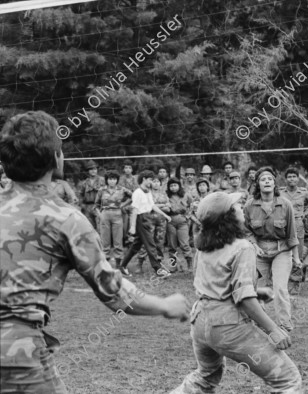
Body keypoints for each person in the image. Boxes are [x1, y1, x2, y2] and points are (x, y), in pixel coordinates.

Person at [0, 111, 189, 394]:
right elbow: (113, 292)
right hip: (15, 350)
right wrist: (163, 305)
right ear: (55, 157)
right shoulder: (66, 219)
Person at [169, 192, 302, 394]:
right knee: (288, 380)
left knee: (205, 377)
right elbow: (244, 299)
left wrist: (255, 291)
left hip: (200, 320)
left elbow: (212, 284)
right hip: (228, 325)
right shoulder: (243, 247)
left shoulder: (203, 245)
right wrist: (273, 329)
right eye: (237, 206)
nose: (242, 207)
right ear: (228, 216)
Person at [244, 167, 300, 332]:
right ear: (258, 184)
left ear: (274, 183)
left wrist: (296, 259)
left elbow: (292, 234)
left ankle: (284, 324)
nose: (267, 181)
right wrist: (254, 245)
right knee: (256, 289)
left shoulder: (285, 205)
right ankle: (258, 323)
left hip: (281, 251)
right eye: (263, 179)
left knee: (280, 288)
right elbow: (246, 231)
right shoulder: (249, 205)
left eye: (270, 179)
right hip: (258, 252)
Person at [118, 170, 173, 277]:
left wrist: (165, 215)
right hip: (140, 219)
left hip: (147, 218)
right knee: (150, 244)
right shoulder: (137, 193)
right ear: (144, 179)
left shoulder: (147, 191)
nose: (152, 182)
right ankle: (158, 269)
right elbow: (134, 210)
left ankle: (122, 266)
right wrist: (133, 226)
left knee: (136, 246)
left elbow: (152, 206)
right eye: (150, 180)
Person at [280, 167, 308, 293]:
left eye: (294, 176)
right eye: (289, 177)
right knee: (283, 252)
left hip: (297, 224)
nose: (291, 179)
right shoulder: (280, 193)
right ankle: (283, 281)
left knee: (298, 253)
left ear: (298, 179)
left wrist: (304, 214)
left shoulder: (303, 193)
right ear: (285, 179)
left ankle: (295, 282)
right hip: (283, 225)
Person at [94, 171, 132, 267]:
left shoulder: (122, 189)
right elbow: (96, 205)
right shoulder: (101, 190)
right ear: (107, 180)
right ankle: (105, 265)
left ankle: (118, 265)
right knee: (105, 241)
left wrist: (123, 205)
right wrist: (100, 215)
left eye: (114, 179)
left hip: (117, 214)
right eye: (110, 179)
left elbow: (133, 196)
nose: (112, 181)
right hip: (105, 214)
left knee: (117, 241)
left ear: (117, 180)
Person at [136, 176, 170, 273]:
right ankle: (140, 262)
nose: (155, 183)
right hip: (148, 221)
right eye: (154, 181)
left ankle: (158, 264)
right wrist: (162, 205)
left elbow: (169, 208)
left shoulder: (164, 194)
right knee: (146, 242)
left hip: (161, 221)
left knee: (159, 242)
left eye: (157, 181)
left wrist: (156, 206)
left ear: (160, 183)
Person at [166, 177, 195, 272]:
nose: (173, 188)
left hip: (183, 222)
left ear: (179, 186)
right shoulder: (167, 196)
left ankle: (190, 264)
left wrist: (188, 216)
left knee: (184, 244)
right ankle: (173, 265)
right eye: (171, 186)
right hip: (171, 221)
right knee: (172, 245)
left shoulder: (186, 195)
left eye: (175, 185)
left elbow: (192, 205)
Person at [79, 159, 105, 230]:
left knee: (100, 228)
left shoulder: (102, 180)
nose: (93, 171)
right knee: (89, 228)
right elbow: (80, 195)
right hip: (87, 207)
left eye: (95, 169)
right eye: (91, 169)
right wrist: (82, 206)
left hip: (99, 207)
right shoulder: (84, 183)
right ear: (88, 171)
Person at [118, 159, 138, 241]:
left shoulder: (135, 179)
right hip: (123, 204)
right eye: (126, 168)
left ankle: (132, 239)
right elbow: (120, 191)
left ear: (132, 169)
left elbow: (136, 192)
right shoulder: (120, 179)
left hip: (133, 204)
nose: (127, 169)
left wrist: (127, 191)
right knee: (124, 223)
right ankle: (124, 239)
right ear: (123, 169)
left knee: (133, 222)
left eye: (129, 168)